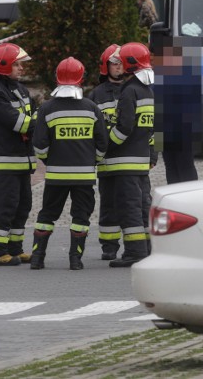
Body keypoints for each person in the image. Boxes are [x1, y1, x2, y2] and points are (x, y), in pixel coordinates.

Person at [30, 57, 108, 270]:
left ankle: (37, 258)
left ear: (57, 78)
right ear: (81, 79)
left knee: (47, 215)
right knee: (81, 216)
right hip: (84, 176)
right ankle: (75, 260)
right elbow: (102, 143)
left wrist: (50, 161)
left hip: (56, 175)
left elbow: (39, 144)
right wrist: (93, 161)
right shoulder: (92, 108)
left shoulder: (46, 109)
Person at [0, 42, 37, 266]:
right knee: (5, 205)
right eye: (17, 65)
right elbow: (19, 123)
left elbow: (33, 116)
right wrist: (42, 123)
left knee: (22, 205)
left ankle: (15, 248)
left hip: (23, 159)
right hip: (6, 159)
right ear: (4, 66)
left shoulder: (20, 89)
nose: (22, 69)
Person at [103, 42, 155, 268]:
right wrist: (153, 154)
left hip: (124, 163)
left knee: (129, 208)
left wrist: (105, 146)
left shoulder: (129, 91)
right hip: (142, 162)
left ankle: (134, 252)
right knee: (143, 207)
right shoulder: (148, 90)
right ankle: (148, 248)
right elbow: (155, 129)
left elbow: (124, 128)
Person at [88, 44, 125, 261]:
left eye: (121, 62)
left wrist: (153, 153)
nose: (119, 66)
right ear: (106, 66)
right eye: (114, 62)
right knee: (109, 205)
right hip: (107, 161)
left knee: (137, 204)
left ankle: (139, 245)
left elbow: (152, 124)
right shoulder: (97, 95)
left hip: (134, 162)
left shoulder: (137, 89)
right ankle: (109, 246)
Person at [154, 35, 203, 184]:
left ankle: (189, 194)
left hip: (182, 129)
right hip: (166, 129)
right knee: (172, 166)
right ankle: (176, 194)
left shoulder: (187, 76)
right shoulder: (161, 76)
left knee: (183, 166)